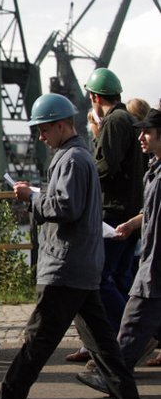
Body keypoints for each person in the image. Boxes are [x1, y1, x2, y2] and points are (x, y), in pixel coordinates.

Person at [0, 93, 142, 399]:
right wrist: (40, 194)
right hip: (81, 265)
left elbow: (66, 207)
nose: (41, 137)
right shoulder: (78, 157)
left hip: (65, 266)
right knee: (102, 343)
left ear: (61, 125)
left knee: (37, 340)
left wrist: (33, 199)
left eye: (44, 129)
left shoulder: (71, 160)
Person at [75, 108, 161, 393]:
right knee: (136, 321)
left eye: (147, 132)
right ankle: (116, 382)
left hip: (155, 265)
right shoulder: (153, 170)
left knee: (133, 321)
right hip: (151, 258)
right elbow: (150, 211)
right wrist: (132, 224)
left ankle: (111, 379)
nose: (140, 138)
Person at [67, 67, 145, 362]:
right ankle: (125, 340)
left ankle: (135, 336)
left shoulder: (114, 121)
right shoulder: (129, 120)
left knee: (100, 278)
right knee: (121, 279)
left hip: (113, 213)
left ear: (95, 97)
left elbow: (106, 165)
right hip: (131, 211)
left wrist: (81, 176)